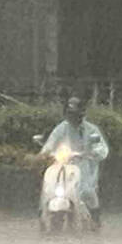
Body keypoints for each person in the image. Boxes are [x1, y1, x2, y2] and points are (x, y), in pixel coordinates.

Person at [40, 96, 109, 229]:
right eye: (70, 114)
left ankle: (95, 218)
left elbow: (102, 148)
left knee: (88, 191)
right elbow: (49, 144)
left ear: (81, 114)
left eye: (75, 115)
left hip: (83, 167)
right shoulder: (61, 128)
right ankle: (42, 215)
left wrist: (93, 153)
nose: (72, 118)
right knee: (48, 188)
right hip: (62, 166)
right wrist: (44, 154)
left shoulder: (91, 130)